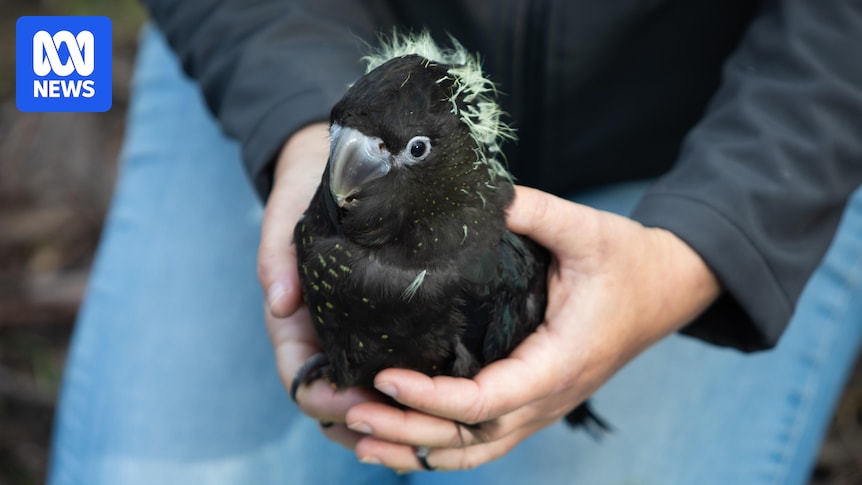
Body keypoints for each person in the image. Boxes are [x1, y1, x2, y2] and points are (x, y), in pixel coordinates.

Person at [48, 0, 862, 483]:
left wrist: (697, 251)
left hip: (729, 146)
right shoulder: (343, 156)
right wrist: (298, 127)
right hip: (297, 57)